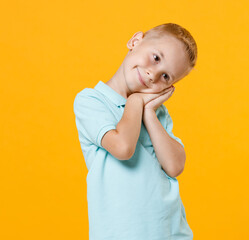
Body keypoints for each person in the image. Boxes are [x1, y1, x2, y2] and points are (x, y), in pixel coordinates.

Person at [73, 23, 197, 240]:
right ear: (135, 41)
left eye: (166, 77)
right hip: (119, 233)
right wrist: (136, 101)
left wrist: (148, 113)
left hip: (169, 231)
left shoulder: (158, 114)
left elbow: (175, 166)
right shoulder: (91, 100)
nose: (153, 75)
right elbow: (123, 147)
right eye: (156, 58)